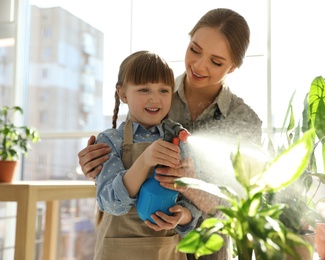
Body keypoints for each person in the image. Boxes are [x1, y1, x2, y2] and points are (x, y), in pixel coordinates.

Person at [78, 8, 263, 260]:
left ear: (233, 67)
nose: (199, 65)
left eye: (216, 61)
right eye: (194, 50)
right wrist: (95, 165)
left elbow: (237, 206)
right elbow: (119, 174)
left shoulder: (244, 121)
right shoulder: (154, 99)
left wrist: (190, 187)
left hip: (209, 251)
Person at [92, 50, 201, 260]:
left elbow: (192, 205)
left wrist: (182, 216)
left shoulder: (179, 142)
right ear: (123, 94)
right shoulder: (109, 141)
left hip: (167, 249)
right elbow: (110, 203)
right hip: (118, 251)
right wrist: (145, 160)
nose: (155, 98)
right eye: (144, 89)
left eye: (163, 90)